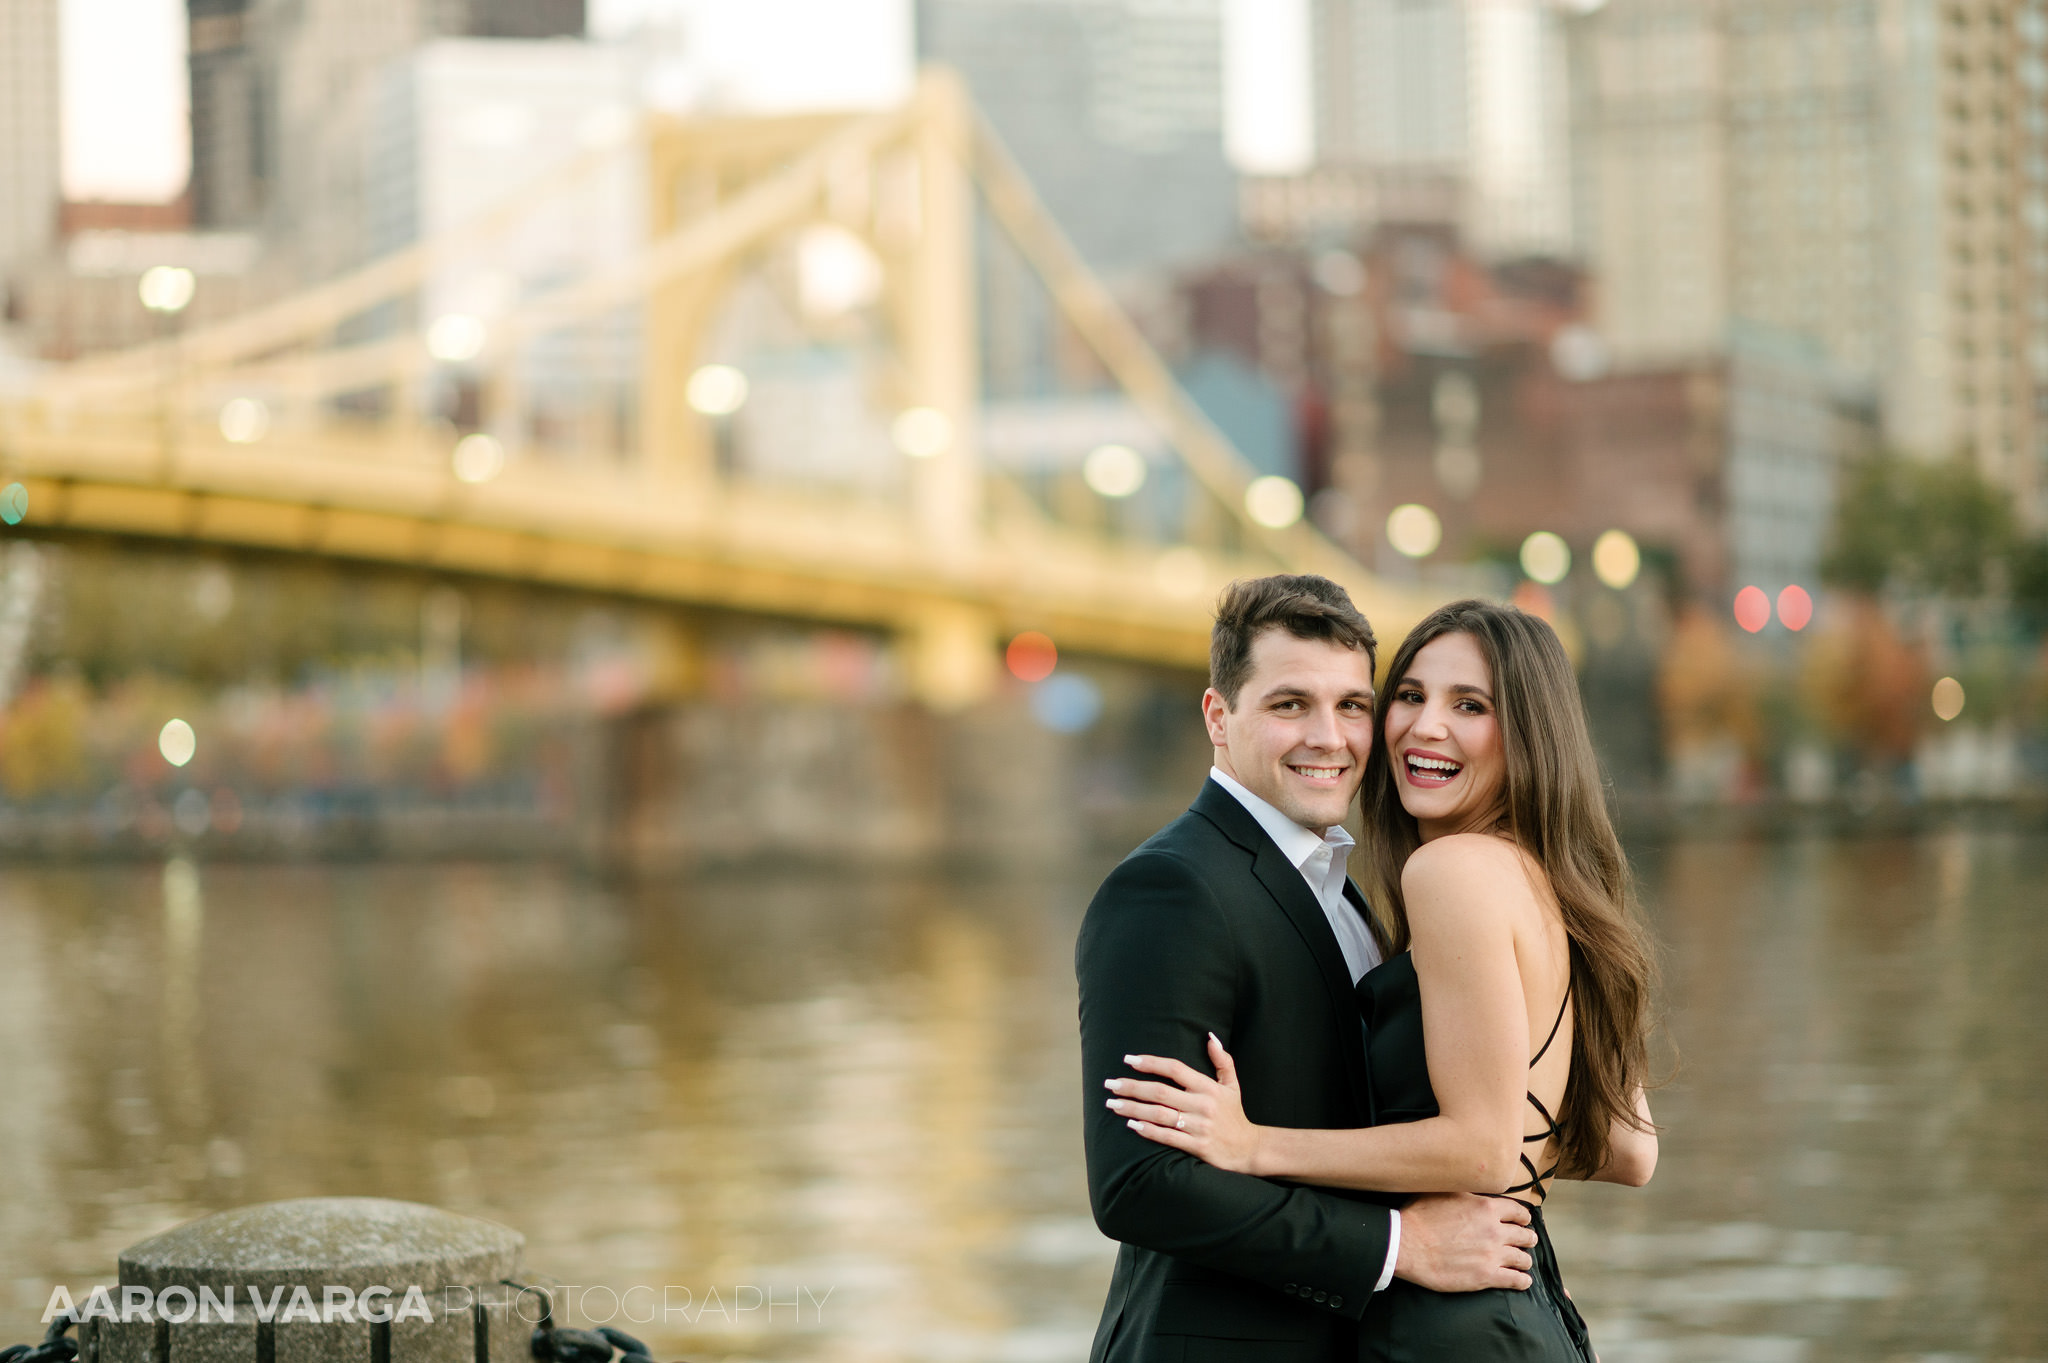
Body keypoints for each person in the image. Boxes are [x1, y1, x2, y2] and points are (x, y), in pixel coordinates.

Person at [1108, 598, 1660, 1362]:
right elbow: (1629, 1149)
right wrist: (1494, 1186)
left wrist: (1256, 1144)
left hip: (1455, 1324)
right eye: (1409, 695)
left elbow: (1485, 1146)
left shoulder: (1448, 872)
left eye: (1469, 704)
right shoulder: (1551, 888)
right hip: (1521, 1309)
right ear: (1218, 714)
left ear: (1530, 731)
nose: (1425, 726)